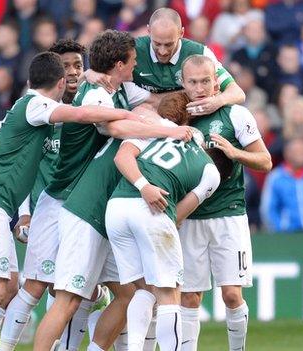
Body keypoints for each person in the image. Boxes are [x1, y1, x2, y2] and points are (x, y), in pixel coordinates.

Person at [30, 31, 195, 351]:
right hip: (77, 203)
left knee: (129, 293)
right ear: (119, 64)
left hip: (102, 207)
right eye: (133, 61)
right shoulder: (96, 94)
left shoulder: (119, 88)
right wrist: (169, 132)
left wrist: (202, 92)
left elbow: (156, 100)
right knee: (59, 297)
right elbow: (115, 127)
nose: (138, 66)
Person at [0, 50, 141, 334]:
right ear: (59, 83)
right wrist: (128, 114)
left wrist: (88, 76)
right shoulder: (36, 105)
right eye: (66, 74)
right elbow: (81, 113)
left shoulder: (32, 105)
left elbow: (73, 96)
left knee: (8, 287)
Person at [105, 93, 226, 351]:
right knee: (169, 294)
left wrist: (142, 184)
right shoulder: (211, 172)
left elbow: (121, 157)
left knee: (143, 289)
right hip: (149, 212)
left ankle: (134, 348)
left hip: (116, 208)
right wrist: (152, 194)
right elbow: (179, 212)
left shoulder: (157, 129)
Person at [180, 54, 272, 350]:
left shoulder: (235, 115)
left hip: (228, 214)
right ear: (183, 84)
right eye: (193, 82)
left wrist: (235, 153)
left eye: (205, 80)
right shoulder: (174, 117)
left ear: (216, 82)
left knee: (231, 294)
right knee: (190, 296)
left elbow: (265, 161)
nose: (200, 88)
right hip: (190, 216)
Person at [0, 39, 83, 350]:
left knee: (77, 292)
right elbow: (26, 168)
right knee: (27, 286)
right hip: (44, 208)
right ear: (55, 78)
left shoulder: (96, 103)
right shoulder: (36, 110)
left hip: (87, 212)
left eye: (78, 65)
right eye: (66, 67)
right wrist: (24, 212)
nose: (72, 72)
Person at [85, 7, 245, 114]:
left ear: (182, 33)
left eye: (169, 44)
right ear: (148, 31)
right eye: (156, 43)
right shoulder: (132, 49)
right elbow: (103, 70)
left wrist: (217, 101)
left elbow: (237, 93)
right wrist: (91, 72)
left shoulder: (200, 53)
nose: (162, 51)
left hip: (189, 119)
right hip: (143, 119)